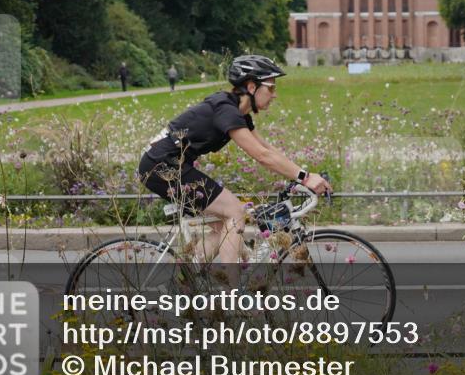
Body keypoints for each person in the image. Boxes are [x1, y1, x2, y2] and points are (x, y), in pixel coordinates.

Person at [137, 55, 331, 263]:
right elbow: (261, 156)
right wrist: (304, 177)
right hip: (162, 165)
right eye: (271, 88)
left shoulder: (238, 113)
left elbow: (267, 149)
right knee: (235, 212)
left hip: (166, 163)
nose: (274, 95)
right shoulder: (226, 111)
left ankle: (188, 280)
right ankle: (232, 292)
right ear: (251, 86)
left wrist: (302, 174)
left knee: (222, 228)